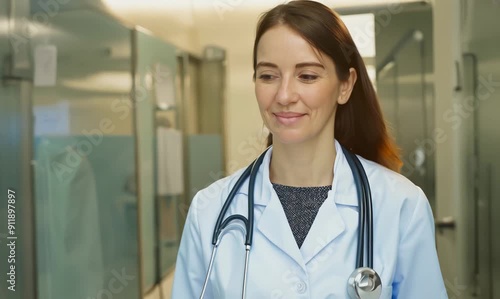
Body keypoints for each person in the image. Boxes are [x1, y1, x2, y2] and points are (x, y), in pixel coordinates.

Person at [172, 1, 447, 298]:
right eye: (268, 75)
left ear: (345, 85)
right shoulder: (209, 210)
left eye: (307, 76)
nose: (284, 95)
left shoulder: (400, 206)